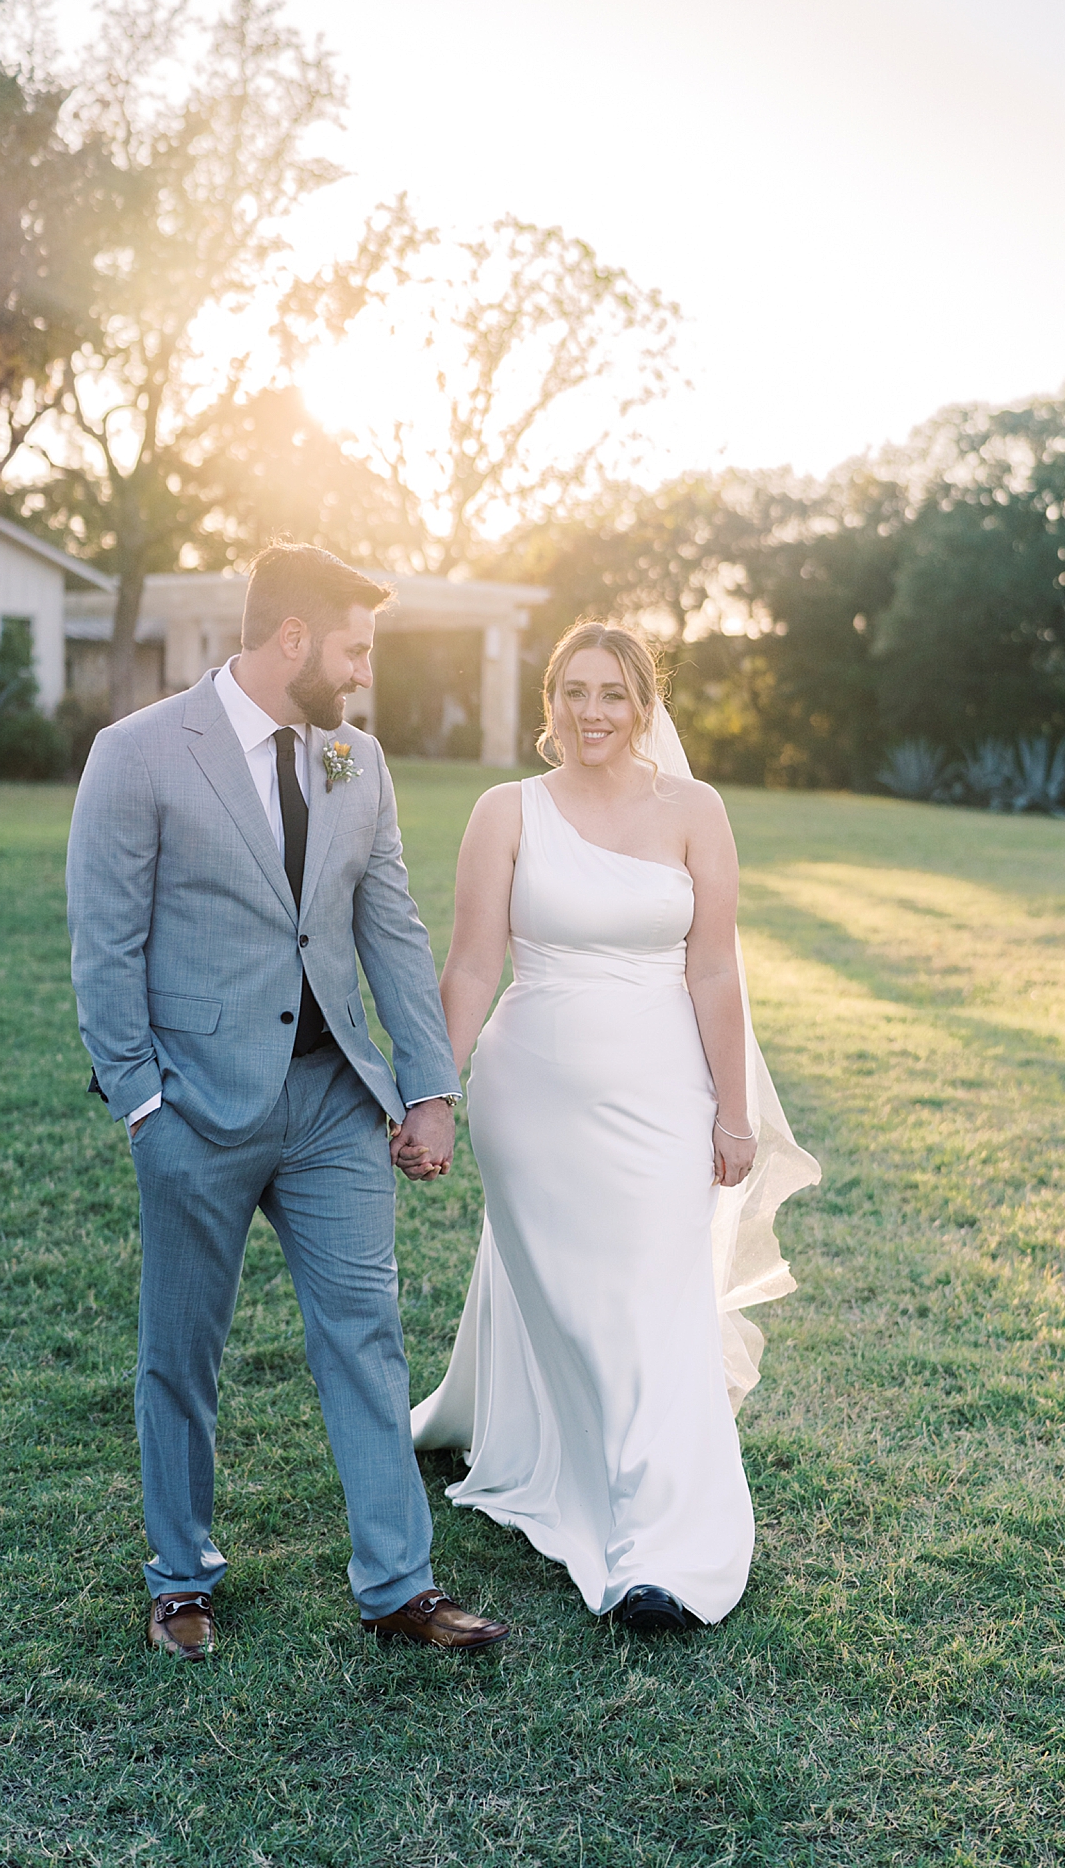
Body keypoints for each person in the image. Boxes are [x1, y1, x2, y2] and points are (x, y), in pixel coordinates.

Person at [67, 543, 508, 1659]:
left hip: (333, 1105)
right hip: (195, 1111)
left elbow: (393, 933)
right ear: (296, 639)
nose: (363, 673)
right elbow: (105, 944)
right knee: (182, 1350)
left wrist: (429, 1088)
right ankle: (179, 1578)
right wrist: (139, 1105)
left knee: (366, 1336)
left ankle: (399, 1587)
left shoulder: (358, 759)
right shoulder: (137, 754)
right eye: (354, 649)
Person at [412, 621, 820, 1633]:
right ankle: (533, 1437)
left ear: (643, 703)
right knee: (566, 1294)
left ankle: (662, 1550)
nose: (593, 711)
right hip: (530, 1098)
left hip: (663, 1095)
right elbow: (469, 965)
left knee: (651, 1300)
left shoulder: (695, 810)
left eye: (613, 693)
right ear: (548, 703)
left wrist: (734, 1108)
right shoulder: (505, 811)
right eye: (574, 691)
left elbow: (715, 967)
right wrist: (432, 1090)